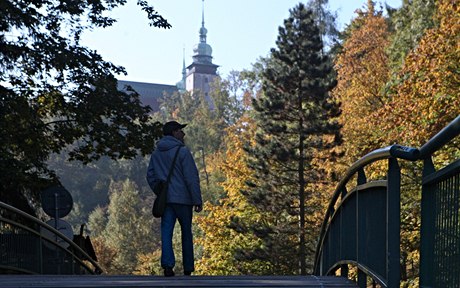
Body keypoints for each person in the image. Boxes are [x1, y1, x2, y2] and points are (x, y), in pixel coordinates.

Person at [146, 121, 203, 277]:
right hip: (184, 200)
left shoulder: (156, 153)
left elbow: (150, 175)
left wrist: (159, 190)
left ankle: (167, 266)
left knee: (166, 232)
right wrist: (197, 200)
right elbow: (191, 178)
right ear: (174, 133)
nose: (183, 134)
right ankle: (188, 268)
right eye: (180, 131)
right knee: (186, 232)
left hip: (166, 200)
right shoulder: (183, 152)